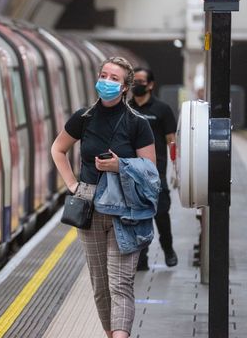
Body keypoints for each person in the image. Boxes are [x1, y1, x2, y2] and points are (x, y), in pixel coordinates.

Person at [51, 56, 155, 338]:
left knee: (120, 283)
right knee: (100, 285)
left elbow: (150, 171)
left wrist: (120, 165)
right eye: (104, 75)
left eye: (114, 79)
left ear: (125, 88)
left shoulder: (138, 123)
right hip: (90, 206)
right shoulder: (83, 118)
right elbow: (57, 149)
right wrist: (72, 184)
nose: (107, 82)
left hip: (126, 210)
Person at [130, 67, 178, 270]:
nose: (137, 85)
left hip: (156, 170)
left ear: (150, 85)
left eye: (141, 81)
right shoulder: (126, 108)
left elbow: (171, 141)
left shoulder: (162, 109)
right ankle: (141, 258)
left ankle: (168, 249)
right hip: (131, 169)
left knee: (161, 212)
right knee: (137, 214)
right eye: (134, 81)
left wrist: (177, 168)